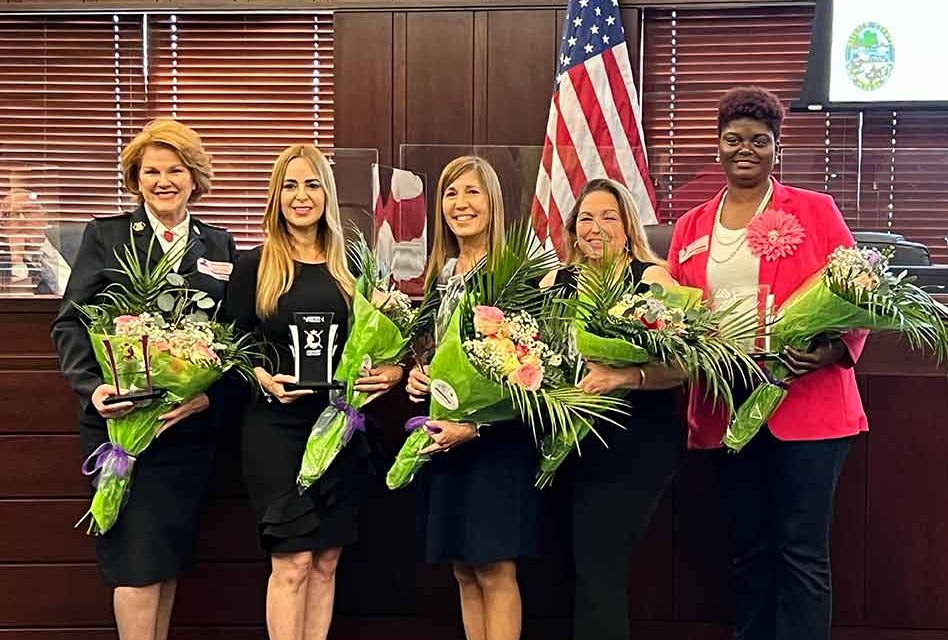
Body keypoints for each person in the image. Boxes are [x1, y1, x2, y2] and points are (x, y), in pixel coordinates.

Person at [666, 86, 868, 640]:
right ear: (717, 147)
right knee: (749, 552)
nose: (745, 149)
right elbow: (671, 313)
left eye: (760, 140)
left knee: (802, 553)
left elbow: (861, 292)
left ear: (776, 148)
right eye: (734, 139)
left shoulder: (814, 210)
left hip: (809, 407)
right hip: (727, 409)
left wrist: (831, 350)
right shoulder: (688, 227)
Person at [50, 118, 237, 640]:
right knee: (135, 564)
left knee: (165, 560)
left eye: (175, 170)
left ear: (195, 177)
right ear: (134, 180)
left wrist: (205, 400)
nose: (163, 181)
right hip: (122, 430)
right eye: (150, 171)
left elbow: (234, 342)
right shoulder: (106, 236)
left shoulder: (221, 246)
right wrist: (94, 388)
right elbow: (71, 322)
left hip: (185, 437)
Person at [223, 144, 403, 640]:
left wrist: (388, 371)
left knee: (325, 561)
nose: (301, 196)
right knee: (294, 561)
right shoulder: (255, 266)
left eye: (312, 184)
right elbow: (228, 347)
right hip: (275, 430)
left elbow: (384, 341)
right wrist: (260, 377)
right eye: (290, 185)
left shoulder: (354, 266)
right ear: (275, 196)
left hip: (339, 427)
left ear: (328, 193)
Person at [539, 178, 687, 640]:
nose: (596, 226)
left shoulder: (652, 278)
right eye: (586, 217)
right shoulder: (553, 282)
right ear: (572, 228)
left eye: (609, 216)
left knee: (598, 566)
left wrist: (624, 376)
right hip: (563, 444)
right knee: (567, 569)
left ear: (627, 226)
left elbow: (683, 366)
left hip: (633, 443)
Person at [405, 155, 542, 640]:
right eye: (450, 194)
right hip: (444, 437)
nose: (460, 204)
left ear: (493, 202)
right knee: (462, 568)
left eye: (472, 193)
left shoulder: (516, 273)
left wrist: (477, 425)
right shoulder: (439, 274)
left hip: (496, 439)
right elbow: (431, 349)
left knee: (494, 568)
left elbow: (535, 367)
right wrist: (417, 376)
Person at [0, 188, 71, 295]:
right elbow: (17, 304)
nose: (22, 220)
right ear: (3, 225)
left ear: (44, 215)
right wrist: (17, 260)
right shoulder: (4, 263)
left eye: (28, 212)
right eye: (12, 215)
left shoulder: (76, 244)